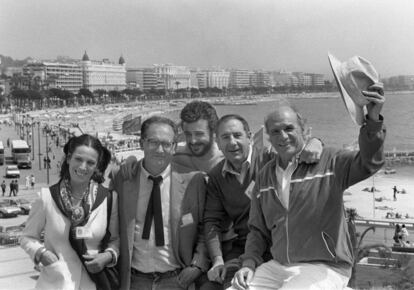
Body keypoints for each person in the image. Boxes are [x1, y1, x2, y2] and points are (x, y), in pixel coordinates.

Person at [230, 86, 385, 290]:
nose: (283, 136)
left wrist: (372, 121)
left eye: (289, 128)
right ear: (268, 136)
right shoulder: (265, 176)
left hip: (326, 266)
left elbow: (369, 163)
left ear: (304, 130)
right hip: (279, 266)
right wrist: (248, 264)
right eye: (275, 131)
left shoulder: (329, 161)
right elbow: (257, 230)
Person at [204, 114, 323, 289]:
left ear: (250, 137)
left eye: (237, 135)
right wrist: (217, 260)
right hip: (246, 248)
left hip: (282, 245)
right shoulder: (216, 176)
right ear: (218, 143)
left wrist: (316, 141)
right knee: (227, 284)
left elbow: (298, 149)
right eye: (225, 137)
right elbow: (211, 221)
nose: (232, 143)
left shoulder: (269, 158)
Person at [110, 116, 210, 290]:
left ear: (174, 147)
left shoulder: (193, 181)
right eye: (153, 142)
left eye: (166, 144)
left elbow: (204, 227)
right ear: (141, 144)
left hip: (177, 280)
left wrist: (197, 264)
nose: (160, 149)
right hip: (133, 281)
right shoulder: (122, 177)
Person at [20, 134, 119, 290]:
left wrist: (107, 257)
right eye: (78, 159)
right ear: (68, 159)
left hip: (93, 283)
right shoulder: (47, 197)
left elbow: (116, 240)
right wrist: (41, 253)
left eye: (90, 163)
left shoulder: (108, 198)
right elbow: (27, 237)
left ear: (97, 166)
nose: (82, 167)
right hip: (56, 282)